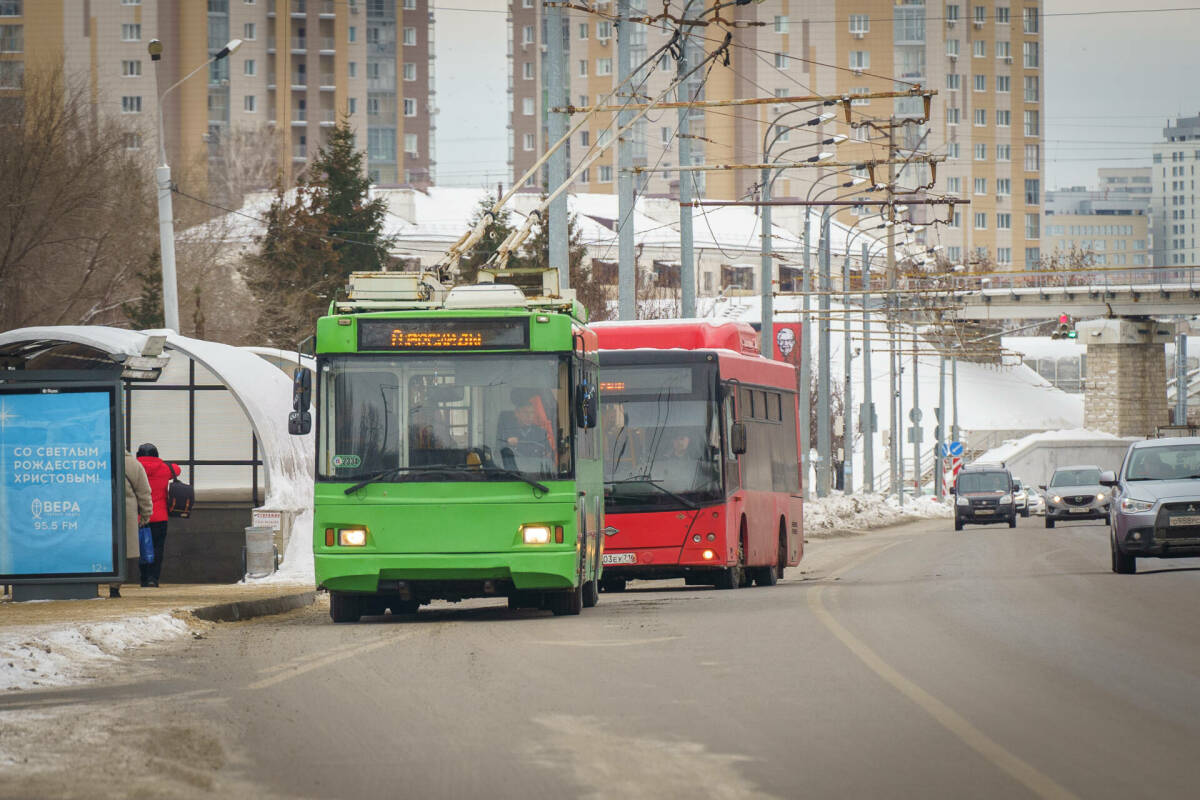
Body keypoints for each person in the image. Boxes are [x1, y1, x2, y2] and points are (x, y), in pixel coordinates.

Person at [136, 443, 181, 587]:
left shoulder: (135, 468)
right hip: (160, 516)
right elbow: (177, 469)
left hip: (139, 516)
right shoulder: (165, 468)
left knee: (141, 547)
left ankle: (143, 578)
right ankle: (153, 579)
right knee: (157, 548)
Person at [113, 451, 152, 598]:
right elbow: (144, 492)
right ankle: (114, 587)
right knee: (122, 550)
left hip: (100, 513)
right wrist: (146, 515)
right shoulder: (133, 464)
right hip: (126, 514)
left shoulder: (97, 458)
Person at [497, 389, 553, 456]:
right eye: (525, 412)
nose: (529, 416)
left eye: (532, 413)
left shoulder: (541, 432)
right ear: (517, 413)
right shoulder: (506, 432)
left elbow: (549, 453)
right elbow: (498, 451)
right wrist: (507, 443)